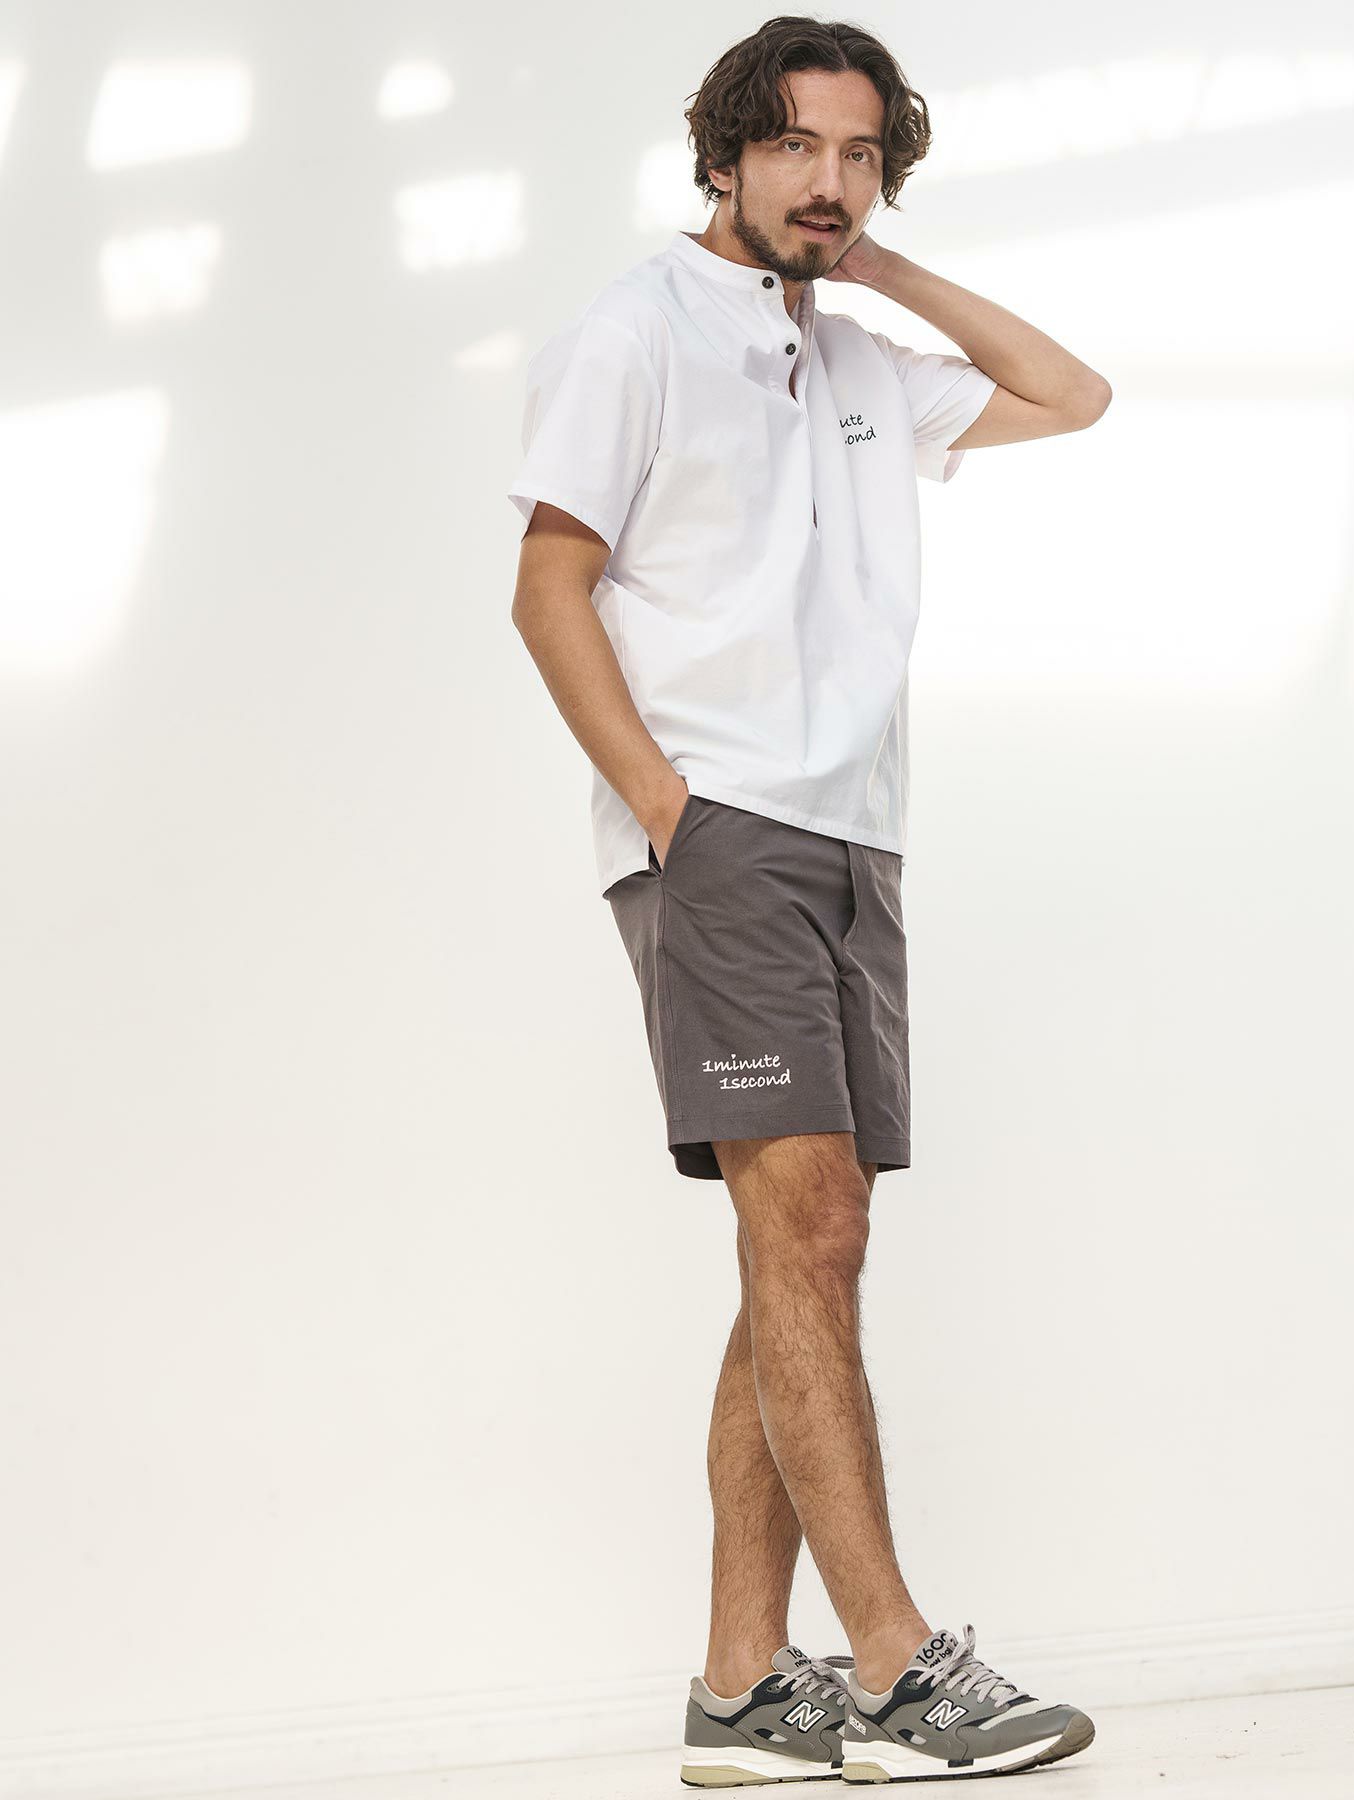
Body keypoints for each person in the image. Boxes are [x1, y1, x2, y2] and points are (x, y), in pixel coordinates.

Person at [507, 16, 1110, 1786]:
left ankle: (738, 1686)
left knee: (798, 1249)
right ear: (722, 155)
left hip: (856, 836)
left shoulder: (859, 357)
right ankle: (898, 1663)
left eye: (858, 156)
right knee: (817, 1230)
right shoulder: (633, 333)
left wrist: (876, 266)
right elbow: (548, 587)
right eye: (793, 149)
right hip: (723, 828)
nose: (827, 182)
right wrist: (668, 809)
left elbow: (1070, 392)